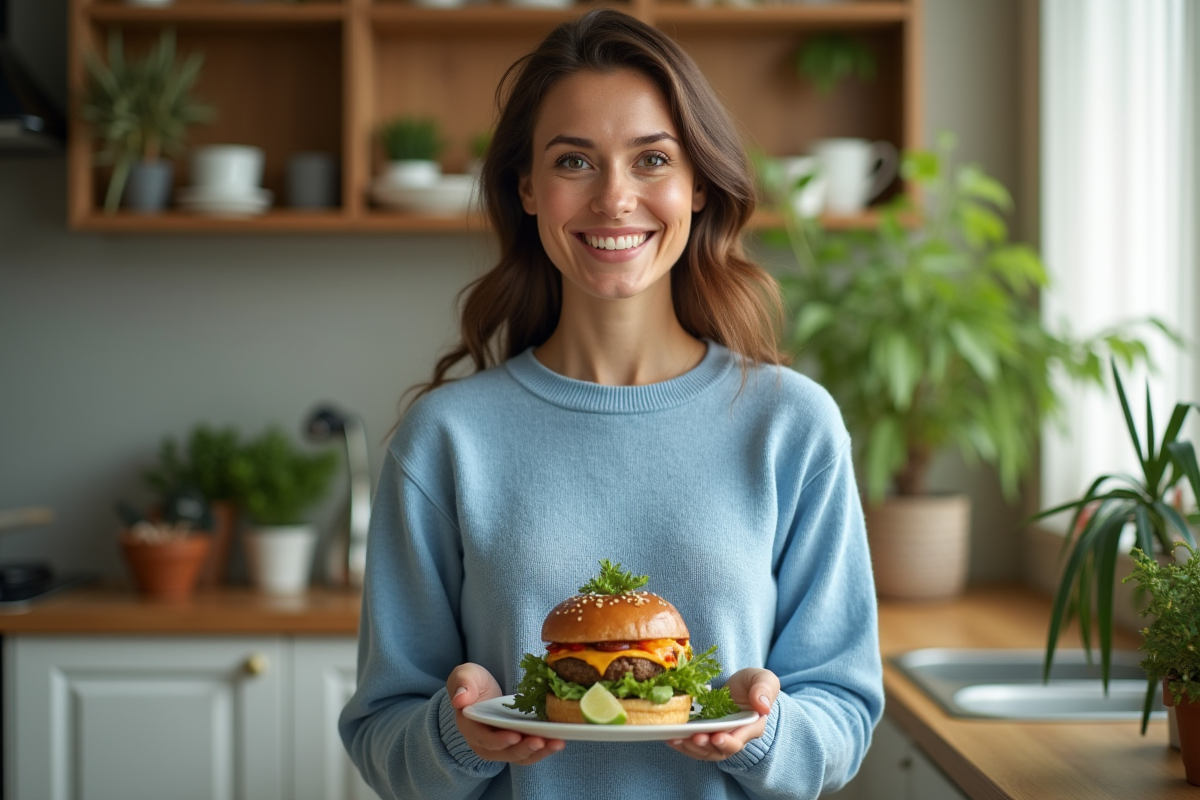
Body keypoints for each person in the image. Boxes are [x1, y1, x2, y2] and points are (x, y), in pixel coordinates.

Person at [339, 8, 883, 799]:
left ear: (697, 187)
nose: (615, 197)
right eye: (573, 162)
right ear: (526, 189)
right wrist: (453, 738)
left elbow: (844, 713)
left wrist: (766, 734)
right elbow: (381, 732)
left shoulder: (791, 427)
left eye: (652, 159)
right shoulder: (447, 440)